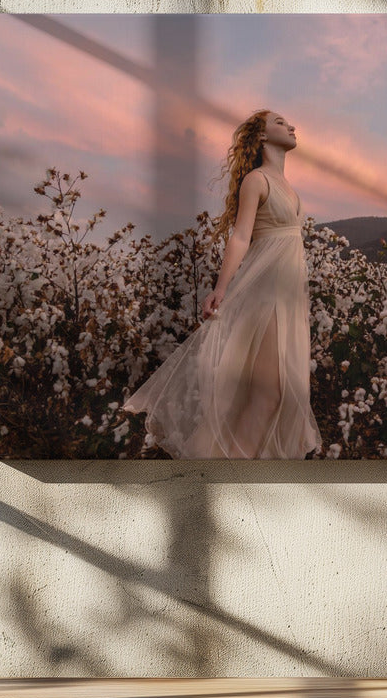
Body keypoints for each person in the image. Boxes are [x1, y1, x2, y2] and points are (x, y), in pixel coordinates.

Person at [123, 110, 322, 459]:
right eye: (279, 122)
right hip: (267, 293)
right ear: (260, 137)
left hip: (290, 297)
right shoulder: (257, 181)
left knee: (282, 396)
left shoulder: (290, 190)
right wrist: (221, 288)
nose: (291, 126)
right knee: (269, 394)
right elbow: (241, 237)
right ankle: (229, 483)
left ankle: (237, 478)